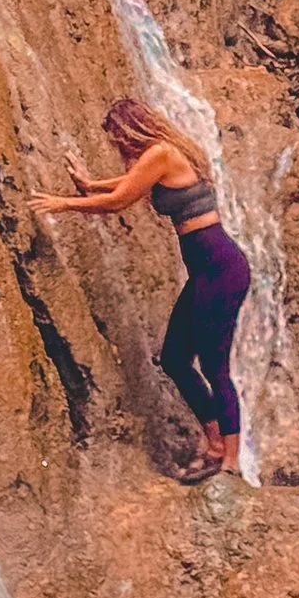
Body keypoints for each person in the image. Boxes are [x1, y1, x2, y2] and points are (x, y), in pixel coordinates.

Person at [36, 97, 253, 483]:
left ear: (129, 129)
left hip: (221, 270)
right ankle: (215, 443)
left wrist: (64, 203)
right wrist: (88, 184)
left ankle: (231, 461)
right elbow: (125, 184)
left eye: (118, 137)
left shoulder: (161, 152)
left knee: (216, 367)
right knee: (174, 359)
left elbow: (119, 200)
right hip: (207, 272)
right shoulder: (165, 153)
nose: (118, 146)